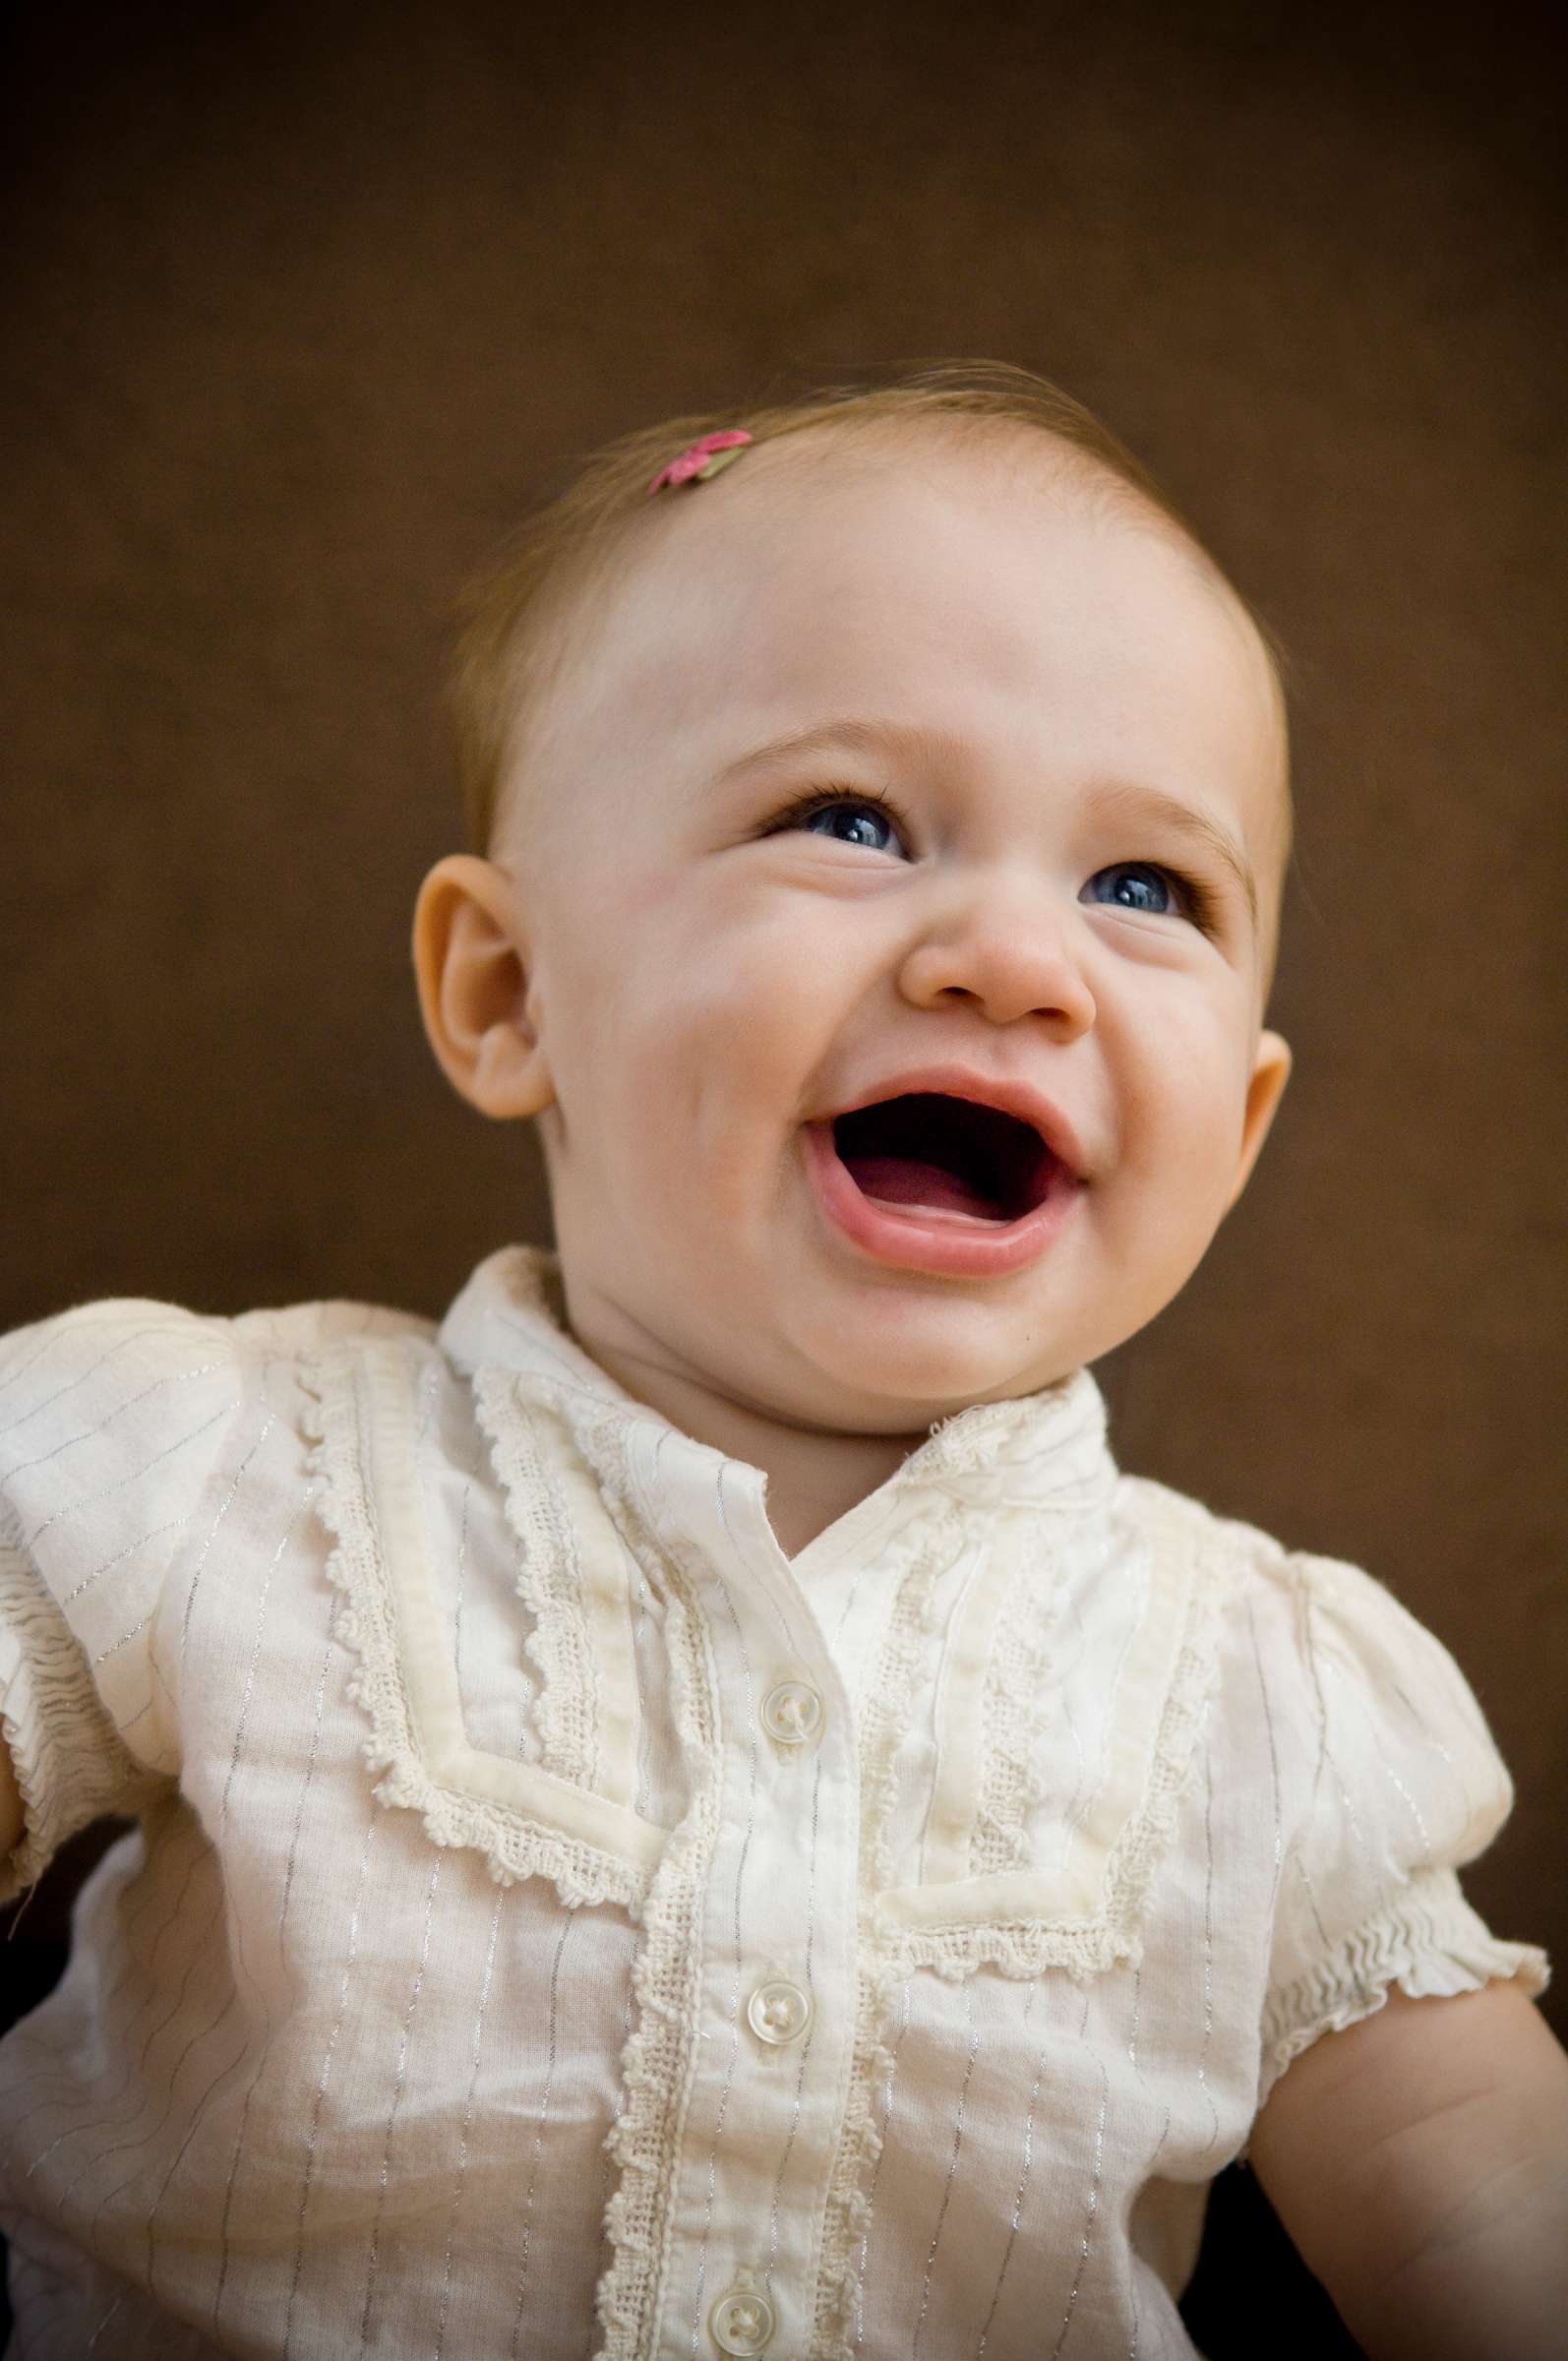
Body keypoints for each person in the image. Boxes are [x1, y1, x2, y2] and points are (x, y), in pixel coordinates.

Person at [0, 360, 1562, 2361]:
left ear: (1236, 1131)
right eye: (849, 820)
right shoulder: (219, 1472)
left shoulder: (1269, 1701)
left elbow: (1487, 2213)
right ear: (506, 993)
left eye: (1140, 887)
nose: (1010, 958)